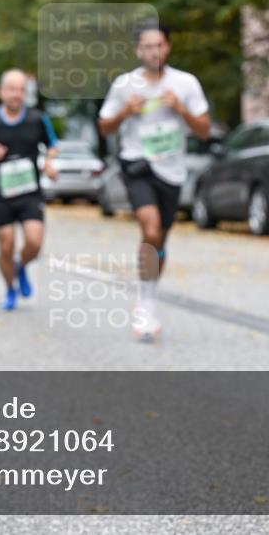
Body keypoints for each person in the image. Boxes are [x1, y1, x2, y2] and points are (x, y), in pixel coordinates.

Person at [97, 22, 210, 341]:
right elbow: (104, 127)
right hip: (137, 164)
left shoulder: (185, 84)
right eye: (146, 46)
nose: (153, 51)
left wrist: (181, 109)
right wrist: (124, 113)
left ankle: (149, 292)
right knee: (150, 229)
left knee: (161, 237)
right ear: (137, 50)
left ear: (168, 47)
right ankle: (145, 303)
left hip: (171, 171)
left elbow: (203, 129)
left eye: (158, 45)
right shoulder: (124, 85)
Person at [0, 69, 59, 311]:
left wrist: (49, 162)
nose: (16, 94)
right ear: (1, 92)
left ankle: (20, 266)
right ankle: (10, 288)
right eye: (11, 89)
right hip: (1, 195)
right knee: (6, 245)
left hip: (30, 193)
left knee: (34, 242)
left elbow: (52, 145)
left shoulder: (37, 119)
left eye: (21, 89)